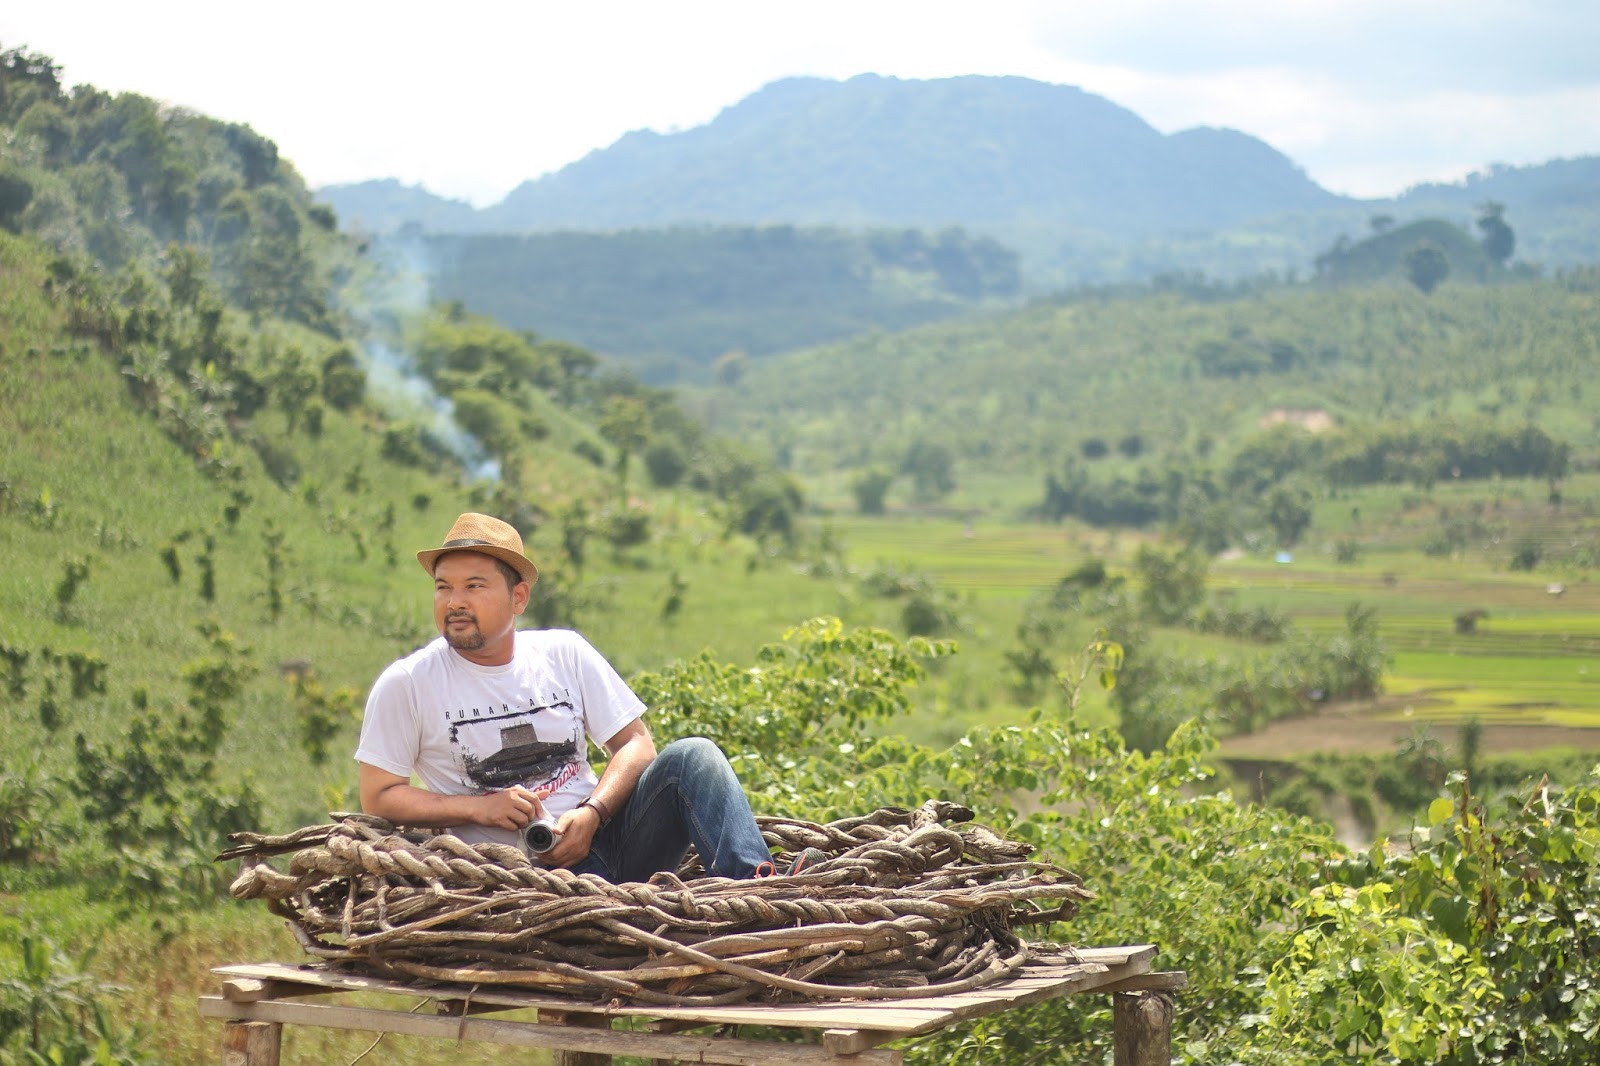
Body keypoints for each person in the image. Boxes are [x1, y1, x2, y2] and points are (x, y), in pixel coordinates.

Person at [355, 512, 816, 882]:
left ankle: (756, 885)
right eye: (443, 587)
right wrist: (479, 809)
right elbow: (379, 796)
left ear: (519, 598)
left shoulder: (565, 652)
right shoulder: (408, 683)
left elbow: (636, 744)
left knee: (694, 756)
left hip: (611, 846)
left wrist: (592, 814)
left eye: (474, 586)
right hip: (512, 882)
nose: (455, 601)